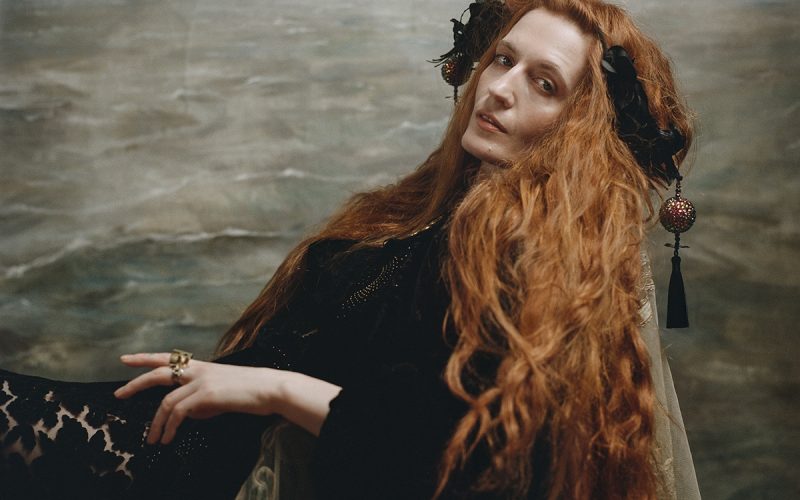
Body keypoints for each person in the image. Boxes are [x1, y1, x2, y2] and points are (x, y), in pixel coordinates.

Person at [0, 0, 702, 498]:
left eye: (542, 83)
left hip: (214, 473)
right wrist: (220, 377)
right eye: (502, 60)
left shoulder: (522, 259)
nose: (497, 90)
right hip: (194, 440)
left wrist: (271, 390)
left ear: (579, 130)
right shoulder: (428, 211)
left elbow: (451, 463)